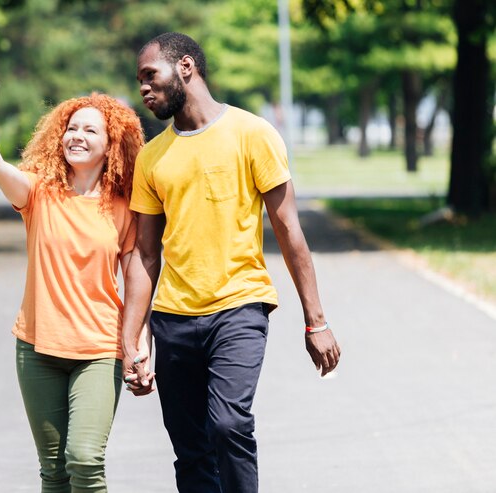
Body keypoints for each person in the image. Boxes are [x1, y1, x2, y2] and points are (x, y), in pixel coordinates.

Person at [121, 32, 341, 493]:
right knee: (190, 445)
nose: (143, 88)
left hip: (239, 307)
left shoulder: (252, 133)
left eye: (150, 75)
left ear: (185, 67)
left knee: (227, 425)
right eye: (139, 80)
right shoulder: (152, 157)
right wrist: (133, 338)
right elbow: (145, 253)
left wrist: (315, 322)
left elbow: (289, 233)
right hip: (173, 317)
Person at [0, 91, 149, 492]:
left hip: (99, 349)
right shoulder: (38, 192)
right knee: (53, 471)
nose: (76, 136)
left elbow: (137, 280)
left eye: (90, 130)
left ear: (111, 144)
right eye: (71, 128)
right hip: (37, 347)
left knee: (84, 459)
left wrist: (140, 344)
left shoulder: (123, 207)